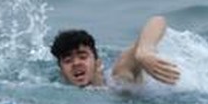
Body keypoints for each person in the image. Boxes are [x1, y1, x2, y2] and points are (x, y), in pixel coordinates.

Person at [51, 16, 181, 89]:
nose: (76, 63)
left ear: (98, 63)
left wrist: (144, 52)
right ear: (61, 72)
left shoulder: (119, 76)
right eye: (68, 61)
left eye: (83, 57)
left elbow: (158, 21)